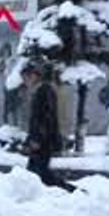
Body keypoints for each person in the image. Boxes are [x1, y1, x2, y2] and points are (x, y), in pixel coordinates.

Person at [21, 63, 78, 193]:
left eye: (27, 77)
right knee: (37, 173)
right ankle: (68, 191)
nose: (25, 81)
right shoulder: (39, 90)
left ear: (35, 76)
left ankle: (72, 191)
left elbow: (47, 117)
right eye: (24, 78)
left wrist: (37, 139)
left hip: (44, 141)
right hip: (40, 140)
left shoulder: (45, 90)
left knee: (39, 174)